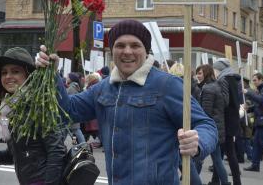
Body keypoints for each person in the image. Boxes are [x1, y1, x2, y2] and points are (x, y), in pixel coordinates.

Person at [37, 19, 218, 184]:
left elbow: (207, 125)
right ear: (112, 50)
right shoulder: (103, 88)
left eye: (135, 45)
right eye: (120, 45)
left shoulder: (167, 85)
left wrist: (198, 142)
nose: (127, 51)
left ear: (145, 51)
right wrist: (50, 75)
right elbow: (68, 109)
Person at [0, 47, 66, 185]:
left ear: (28, 75)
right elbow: (13, 155)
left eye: (15, 71)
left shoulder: (39, 104)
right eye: (4, 72)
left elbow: (56, 151)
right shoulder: (10, 108)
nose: (8, 76)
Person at [192, 64, 230, 185]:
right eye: (197, 73)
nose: (198, 76)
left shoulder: (207, 89)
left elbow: (205, 112)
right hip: (217, 128)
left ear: (206, 73)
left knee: (198, 158)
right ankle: (225, 183)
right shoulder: (216, 86)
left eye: (200, 73)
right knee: (216, 160)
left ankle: (193, 181)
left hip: (209, 129)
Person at [213, 58, 241, 185]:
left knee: (228, 152)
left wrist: (215, 102)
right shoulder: (235, 79)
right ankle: (215, 180)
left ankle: (236, 181)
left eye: (216, 69)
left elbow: (225, 101)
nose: (215, 71)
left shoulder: (224, 79)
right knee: (222, 151)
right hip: (233, 118)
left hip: (226, 120)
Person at [66, 72, 86, 144]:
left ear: (71, 79)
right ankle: (77, 144)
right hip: (74, 113)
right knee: (74, 131)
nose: (66, 78)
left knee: (75, 130)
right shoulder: (74, 87)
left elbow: (68, 101)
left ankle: (84, 145)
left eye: (68, 77)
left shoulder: (71, 88)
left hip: (71, 113)